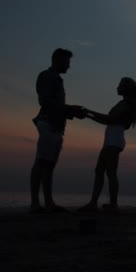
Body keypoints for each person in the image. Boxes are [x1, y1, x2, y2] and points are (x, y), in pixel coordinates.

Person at [78, 77, 136, 213]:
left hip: (114, 140)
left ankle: (109, 204)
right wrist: (89, 115)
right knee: (101, 171)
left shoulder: (126, 104)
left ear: (126, 88)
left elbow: (109, 119)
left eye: (119, 85)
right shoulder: (125, 104)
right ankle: (98, 203)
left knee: (109, 172)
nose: (117, 88)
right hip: (112, 139)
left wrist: (89, 112)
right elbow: (109, 121)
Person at [30, 48, 86, 213]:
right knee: (41, 163)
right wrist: (71, 110)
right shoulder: (47, 77)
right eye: (67, 63)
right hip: (48, 124)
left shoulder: (55, 78)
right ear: (58, 60)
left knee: (48, 165)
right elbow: (46, 102)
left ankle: (48, 203)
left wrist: (71, 112)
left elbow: (55, 105)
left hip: (55, 126)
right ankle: (35, 204)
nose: (69, 66)